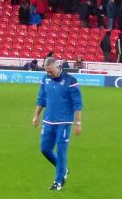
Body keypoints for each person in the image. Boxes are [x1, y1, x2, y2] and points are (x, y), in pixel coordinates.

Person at [31, 57, 83, 191]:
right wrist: (36, 115)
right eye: (47, 71)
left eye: (50, 71)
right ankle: (63, 169)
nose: (49, 74)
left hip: (64, 123)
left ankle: (58, 181)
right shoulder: (45, 80)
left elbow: (78, 104)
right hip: (48, 121)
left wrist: (77, 122)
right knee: (45, 149)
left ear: (57, 67)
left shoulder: (71, 81)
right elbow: (41, 98)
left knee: (61, 151)